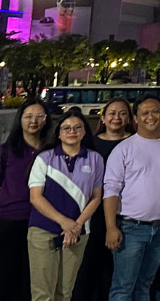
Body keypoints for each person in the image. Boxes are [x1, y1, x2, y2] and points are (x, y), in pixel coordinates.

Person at [103, 95, 160, 301]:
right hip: (130, 228)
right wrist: (111, 227)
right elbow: (110, 189)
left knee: (145, 284)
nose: (150, 117)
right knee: (123, 287)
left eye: (155, 111)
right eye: (144, 113)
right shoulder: (124, 149)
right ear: (135, 118)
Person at [27, 108, 104, 301]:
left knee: (65, 292)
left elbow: (96, 197)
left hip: (79, 232)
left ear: (84, 131)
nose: (72, 131)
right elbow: (35, 197)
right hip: (44, 230)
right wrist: (65, 223)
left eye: (78, 127)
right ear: (59, 133)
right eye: (66, 128)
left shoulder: (95, 159)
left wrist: (75, 226)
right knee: (43, 293)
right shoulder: (44, 158)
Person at [72, 99, 134, 301]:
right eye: (112, 113)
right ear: (103, 117)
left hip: (127, 213)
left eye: (122, 113)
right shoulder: (91, 144)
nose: (117, 117)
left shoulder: (136, 143)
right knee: (88, 267)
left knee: (116, 271)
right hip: (95, 212)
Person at [0, 98, 48, 301]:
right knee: (2, 282)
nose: (34, 121)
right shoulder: (4, 152)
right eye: (28, 116)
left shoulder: (51, 152)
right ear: (20, 120)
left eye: (39, 116)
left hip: (41, 224)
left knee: (32, 282)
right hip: (8, 223)